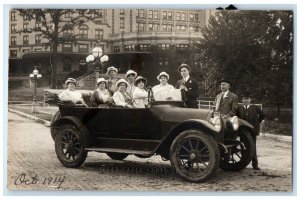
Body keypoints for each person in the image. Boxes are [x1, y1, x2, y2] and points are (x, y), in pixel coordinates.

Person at [236, 92, 265, 170]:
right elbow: (236, 118)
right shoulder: (239, 108)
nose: (246, 100)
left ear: (250, 100)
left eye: (247, 99)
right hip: (243, 131)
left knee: (253, 147)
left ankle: (255, 165)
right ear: (242, 100)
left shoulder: (254, 107)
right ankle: (243, 163)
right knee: (243, 147)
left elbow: (263, 115)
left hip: (252, 131)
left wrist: (257, 123)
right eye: (244, 99)